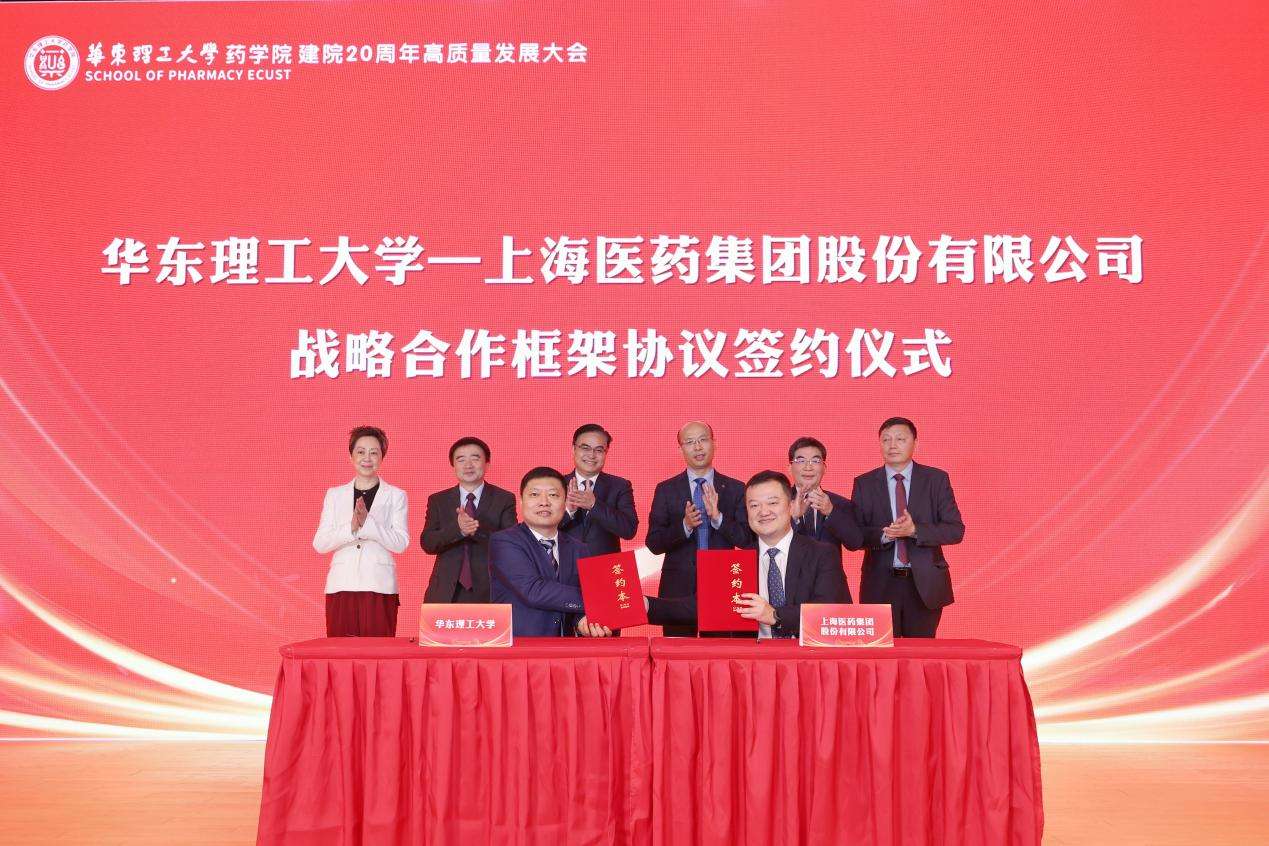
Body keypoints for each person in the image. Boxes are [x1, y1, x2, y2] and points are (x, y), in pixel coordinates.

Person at [588, 471, 847, 638]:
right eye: (754, 505)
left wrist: (775, 615)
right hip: (749, 667)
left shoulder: (821, 554)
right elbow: (696, 607)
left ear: (791, 506)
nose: (763, 512)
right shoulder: (736, 562)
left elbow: (832, 613)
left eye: (772, 503)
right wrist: (645, 604)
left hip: (805, 664)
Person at [848, 417, 965, 637]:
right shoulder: (864, 483)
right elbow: (855, 535)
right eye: (886, 440)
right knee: (881, 654)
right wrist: (885, 535)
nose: (892, 445)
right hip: (880, 584)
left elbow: (955, 530)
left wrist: (914, 531)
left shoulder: (936, 480)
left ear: (915, 443)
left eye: (900, 439)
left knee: (920, 652)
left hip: (925, 585)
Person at [645, 421, 753, 636]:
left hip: (723, 584)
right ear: (681, 449)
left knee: (718, 650)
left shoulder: (735, 488)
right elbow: (654, 543)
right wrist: (684, 526)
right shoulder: (666, 489)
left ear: (714, 443)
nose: (697, 447)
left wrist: (718, 518)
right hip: (678, 586)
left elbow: (747, 539)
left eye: (703, 440)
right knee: (677, 651)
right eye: (690, 442)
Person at [313, 426, 409, 637]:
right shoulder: (335, 495)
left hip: (379, 584)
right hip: (341, 584)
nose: (367, 458)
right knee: (341, 651)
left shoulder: (396, 495)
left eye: (374, 452)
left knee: (378, 651)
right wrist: (351, 527)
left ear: (382, 457)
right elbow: (320, 543)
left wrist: (368, 524)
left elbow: (401, 543)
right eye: (361, 452)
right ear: (351, 456)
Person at [489, 467, 593, 637]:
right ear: (521, 502)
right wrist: (598, 599)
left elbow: (573, 603)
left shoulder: (579, 549)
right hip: (518, 647)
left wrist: (582, 620)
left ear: (565, 502)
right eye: (534, 494)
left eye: (553, 495)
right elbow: (534, 591)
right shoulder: (504, 542)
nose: (544, 502)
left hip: (564, 649)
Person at [420, 437, 517, 603]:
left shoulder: (504, 499)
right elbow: (428, 543)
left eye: (475, 458)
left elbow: (510, 546)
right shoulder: (438, 500)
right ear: (453, 466)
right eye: (461, 459)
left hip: (490, 591)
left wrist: (475, 529)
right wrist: (458, 530)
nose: (468, 465)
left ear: (487, 464)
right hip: (445, 592)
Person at [559, 424, 639, 556]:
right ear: (573, 449)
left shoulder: (620, 486)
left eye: (599, 450)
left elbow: (629, 530)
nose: (592, 455)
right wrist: (568, 511)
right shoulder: (557, 484)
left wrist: (594, 505)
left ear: (606, 453)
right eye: (585, 448)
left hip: (604, 566)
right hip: (564, 565)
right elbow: (540, 528)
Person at [787, 436, 864, 556]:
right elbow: (769, 540)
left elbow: (855, 543)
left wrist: (831, 512)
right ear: (790, 468)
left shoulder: (840, 503)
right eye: (801, 461)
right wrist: (793, 517)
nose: (808, 467)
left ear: (824, 468)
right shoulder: (778, 503)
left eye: (815, 461)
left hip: (829, 568)